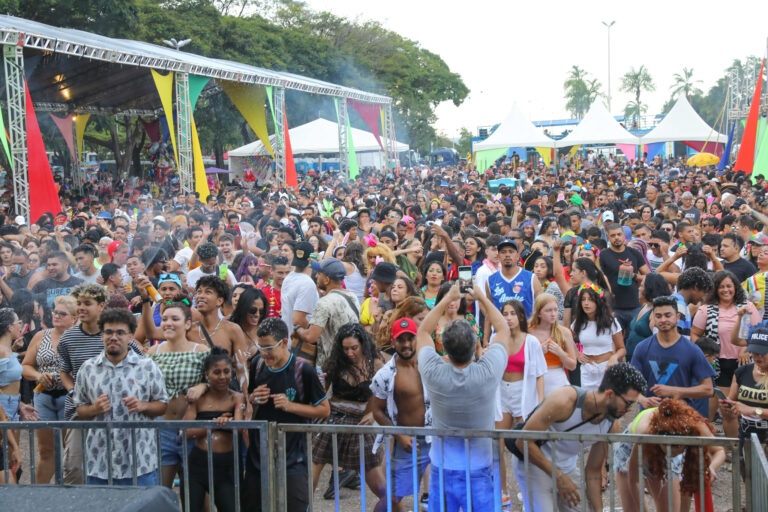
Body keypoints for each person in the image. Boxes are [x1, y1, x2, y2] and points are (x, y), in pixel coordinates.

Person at [415, 281, 511, 511]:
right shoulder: (487, 372)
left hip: (441, 466)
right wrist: (482, 298)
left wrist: (447, 299)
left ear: (445, 348)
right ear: (475, 345)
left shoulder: (433, 371)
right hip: (478, 468)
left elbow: (423, 332)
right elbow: (504, 330)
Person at [512, 363, 647, 512]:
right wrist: (559, 478)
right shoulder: (564, 400)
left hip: (566, 468)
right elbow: (522, 441)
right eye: (628, 403)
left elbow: (593, 471)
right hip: (533, 465)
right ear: (609, 394)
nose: (629, 409)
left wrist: (597, 510)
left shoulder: (612, 425)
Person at [74, 308, 168, 486]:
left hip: (140, 462)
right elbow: (79, 408)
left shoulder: (147, 367)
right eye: (108, 332)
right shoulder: (87, 368)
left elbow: (163, 404)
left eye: (120, 333)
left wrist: (143, 406)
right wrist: (94, 409)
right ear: (102, 335)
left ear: (131, 337)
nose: (113, 337)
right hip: (99, 462)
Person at [58, 284, 141, 484]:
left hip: (117, 412)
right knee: (75, 468)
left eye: (87, 303)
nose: (81, 308)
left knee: (115, 467)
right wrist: (72, 392)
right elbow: (64, 371)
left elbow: (140, 364)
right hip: (80, 412)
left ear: (101, 306)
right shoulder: (68, 337)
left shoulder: (116, 334)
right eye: (79, 304)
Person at [243, 317, 329, 512]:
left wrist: (291, 406)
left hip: (293, 457)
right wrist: (254, 398)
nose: (264, 353)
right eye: (261, 347)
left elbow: (324, 409)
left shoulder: (303, 369)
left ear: (283, 343)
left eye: (269, 348)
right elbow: (251, 401)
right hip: (259, 456)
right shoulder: (258, 364)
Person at [311, 323, 388, 508]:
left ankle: (396, 508)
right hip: (333, 419)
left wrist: (372, 412)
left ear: (363, 345)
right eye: (345, 348)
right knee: (312, 469)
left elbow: (386, 394)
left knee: (377, 482)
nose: (350, 353)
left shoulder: (376, 363)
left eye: (354, 348)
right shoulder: (335, 362)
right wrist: (317, 382)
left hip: (361, 423)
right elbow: (320, 394)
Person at [141, 299, 209, 489]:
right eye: (164, 319)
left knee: (196, 492)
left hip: (193, 429)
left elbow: (218, 383)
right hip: (162, 428)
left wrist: (203, 386)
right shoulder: (152, 353)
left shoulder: (202, 351)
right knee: (160, 490)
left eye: (174, 319)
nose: (168, 323)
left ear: (187, 324)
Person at [615, 398, 725, 512]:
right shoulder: (646, 433)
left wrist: (711, 467)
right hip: (632, 447)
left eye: (678, 448)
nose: (673, 452)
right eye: (669, 447)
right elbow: (634, 481)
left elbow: (719, 450)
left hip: (660, 445)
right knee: (633, 509)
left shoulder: (695, 425)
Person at [370, 317, 432, 509]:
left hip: (437, 438)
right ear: (393, 342)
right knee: (392, 500)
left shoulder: (431, 364)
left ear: (417, 339)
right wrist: (400, 436)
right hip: (409, 444)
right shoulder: (385, 375)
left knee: (445, 496)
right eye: (401, 339)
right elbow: (377, 411)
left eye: (410, 338)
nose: (406, 344)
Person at [691, 270, 759, 433]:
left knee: (737, 410)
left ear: (736, 288)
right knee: (719, 409)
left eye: (729, 286)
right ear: (715, 289)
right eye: (721, 287)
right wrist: (704, 353)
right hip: (718, 364)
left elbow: (757, 334)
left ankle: (736, 448)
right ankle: (709, 446)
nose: (725, 290)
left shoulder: (747, 307)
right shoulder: (707, 309)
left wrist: (746, 348)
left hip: (743, 364)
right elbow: (694, 333)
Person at [494, 299, 546, 508]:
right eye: (505, 314)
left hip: (523, 394)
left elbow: (541, 374)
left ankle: (527, 492)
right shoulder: (496, 339)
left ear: (521, 317)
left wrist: (541, 403)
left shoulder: (531, 341)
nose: (508, 318)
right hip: (501, 394)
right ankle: (503, 491)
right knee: (496, 446)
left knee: (524, 447)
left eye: (512, 314)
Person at [20, 295, 77, 483]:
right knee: (46, 451)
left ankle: (69, 494)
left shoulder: (78, 337)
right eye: (55, 312)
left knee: (69, 451)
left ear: (74, 318)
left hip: (69, 397)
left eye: (62, 313)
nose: (57, 316)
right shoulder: (40, 335)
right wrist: (38, 376)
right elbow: (26, 366)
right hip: (43, 397)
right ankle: (38, 497)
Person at [632, 296, 716, 420]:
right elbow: (629, 384)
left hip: (682, 417)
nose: (663, 320)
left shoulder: (692, 350)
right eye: (658, 316)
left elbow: (708, 389)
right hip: (649, 417)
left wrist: (675, 391)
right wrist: (641, 399)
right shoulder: (642, 348)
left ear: (677, 318)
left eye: (668, 315)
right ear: (653, 319)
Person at [183, 347, 245, 512]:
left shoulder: (236, 398)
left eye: (226, 371)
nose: (222, 377)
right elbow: (184, 432)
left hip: (225, 467)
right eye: (216, 372)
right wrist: (213, 424)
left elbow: (239, 428)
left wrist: (227, 423)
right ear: (207, 375)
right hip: (197, 464)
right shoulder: (198, 399)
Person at [293, 258, 361, 368]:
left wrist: (298, 330)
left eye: (319, 274)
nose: (316, 276)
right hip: (349, 363)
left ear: (327, 280)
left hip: (329, 367)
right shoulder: (352, 296)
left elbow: (311, 337)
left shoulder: (324, 303)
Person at [721, 326, 768, 473]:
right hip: (746, 435)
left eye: (762, 352)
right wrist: (727, 405)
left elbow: (748, 409)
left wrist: (753, 410)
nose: (757, 356)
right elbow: (731, 398)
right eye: (754, 351)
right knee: (749, 481)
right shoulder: (742, 371)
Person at [485, 239, 541, 342]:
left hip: (526, 336)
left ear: (517, 255)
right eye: (503, 252)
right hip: (500, 337)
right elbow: (489, 313)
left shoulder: (531, 278)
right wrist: (485, 341)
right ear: (498, 256)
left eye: (511, 251)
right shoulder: (490, 281)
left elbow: (541, 308)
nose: (507, 255)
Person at [571, 283, 624, 390]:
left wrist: (614, 357)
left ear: (598, 302)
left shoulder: (610, 322)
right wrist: (577, 354)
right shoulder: (578, 322)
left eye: (590, 299)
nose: (586, 303)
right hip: (587, 369)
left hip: (607, 367)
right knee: (589, 403)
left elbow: (622, 349)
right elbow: (567, 338)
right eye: (583, 299)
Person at [528, 293, 578, 394]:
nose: (553, 314)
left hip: (556, 378)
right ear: (538, 313)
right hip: (534, 378)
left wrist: (561, 353)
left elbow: (572, 365)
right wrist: (538, 351)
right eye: (548, 310)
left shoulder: (564, 332)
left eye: (555, 309)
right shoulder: (528, 331)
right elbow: (521, 360)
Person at [626, 273, 670, 361]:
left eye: (642, 286)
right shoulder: (645, 306)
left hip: (644, 359)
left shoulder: (656, 312)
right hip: (631, 357)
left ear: (650, 289)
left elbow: (659, 340)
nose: (639, 288)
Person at [280, 241, 319, 334]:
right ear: (311, 259)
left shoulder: (289, 277)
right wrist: (314, 335)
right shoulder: (307, 283)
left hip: (288, 338)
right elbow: (298, 320)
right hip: (300, 342)